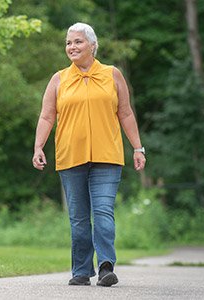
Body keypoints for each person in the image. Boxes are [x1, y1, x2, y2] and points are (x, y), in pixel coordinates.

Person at [32, 22, 146, 287]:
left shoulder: (112, 74)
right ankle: (81, 270)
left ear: (93, 45)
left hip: (107, 156)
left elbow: (126, 113)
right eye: (68, 42)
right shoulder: (58, 79)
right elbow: (47, 116)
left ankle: (106, 266)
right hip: (71, 156)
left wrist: (137, 147)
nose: (71, 47)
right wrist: (39, 147)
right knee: (79, 217)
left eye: (78, 42)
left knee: (103, 211)